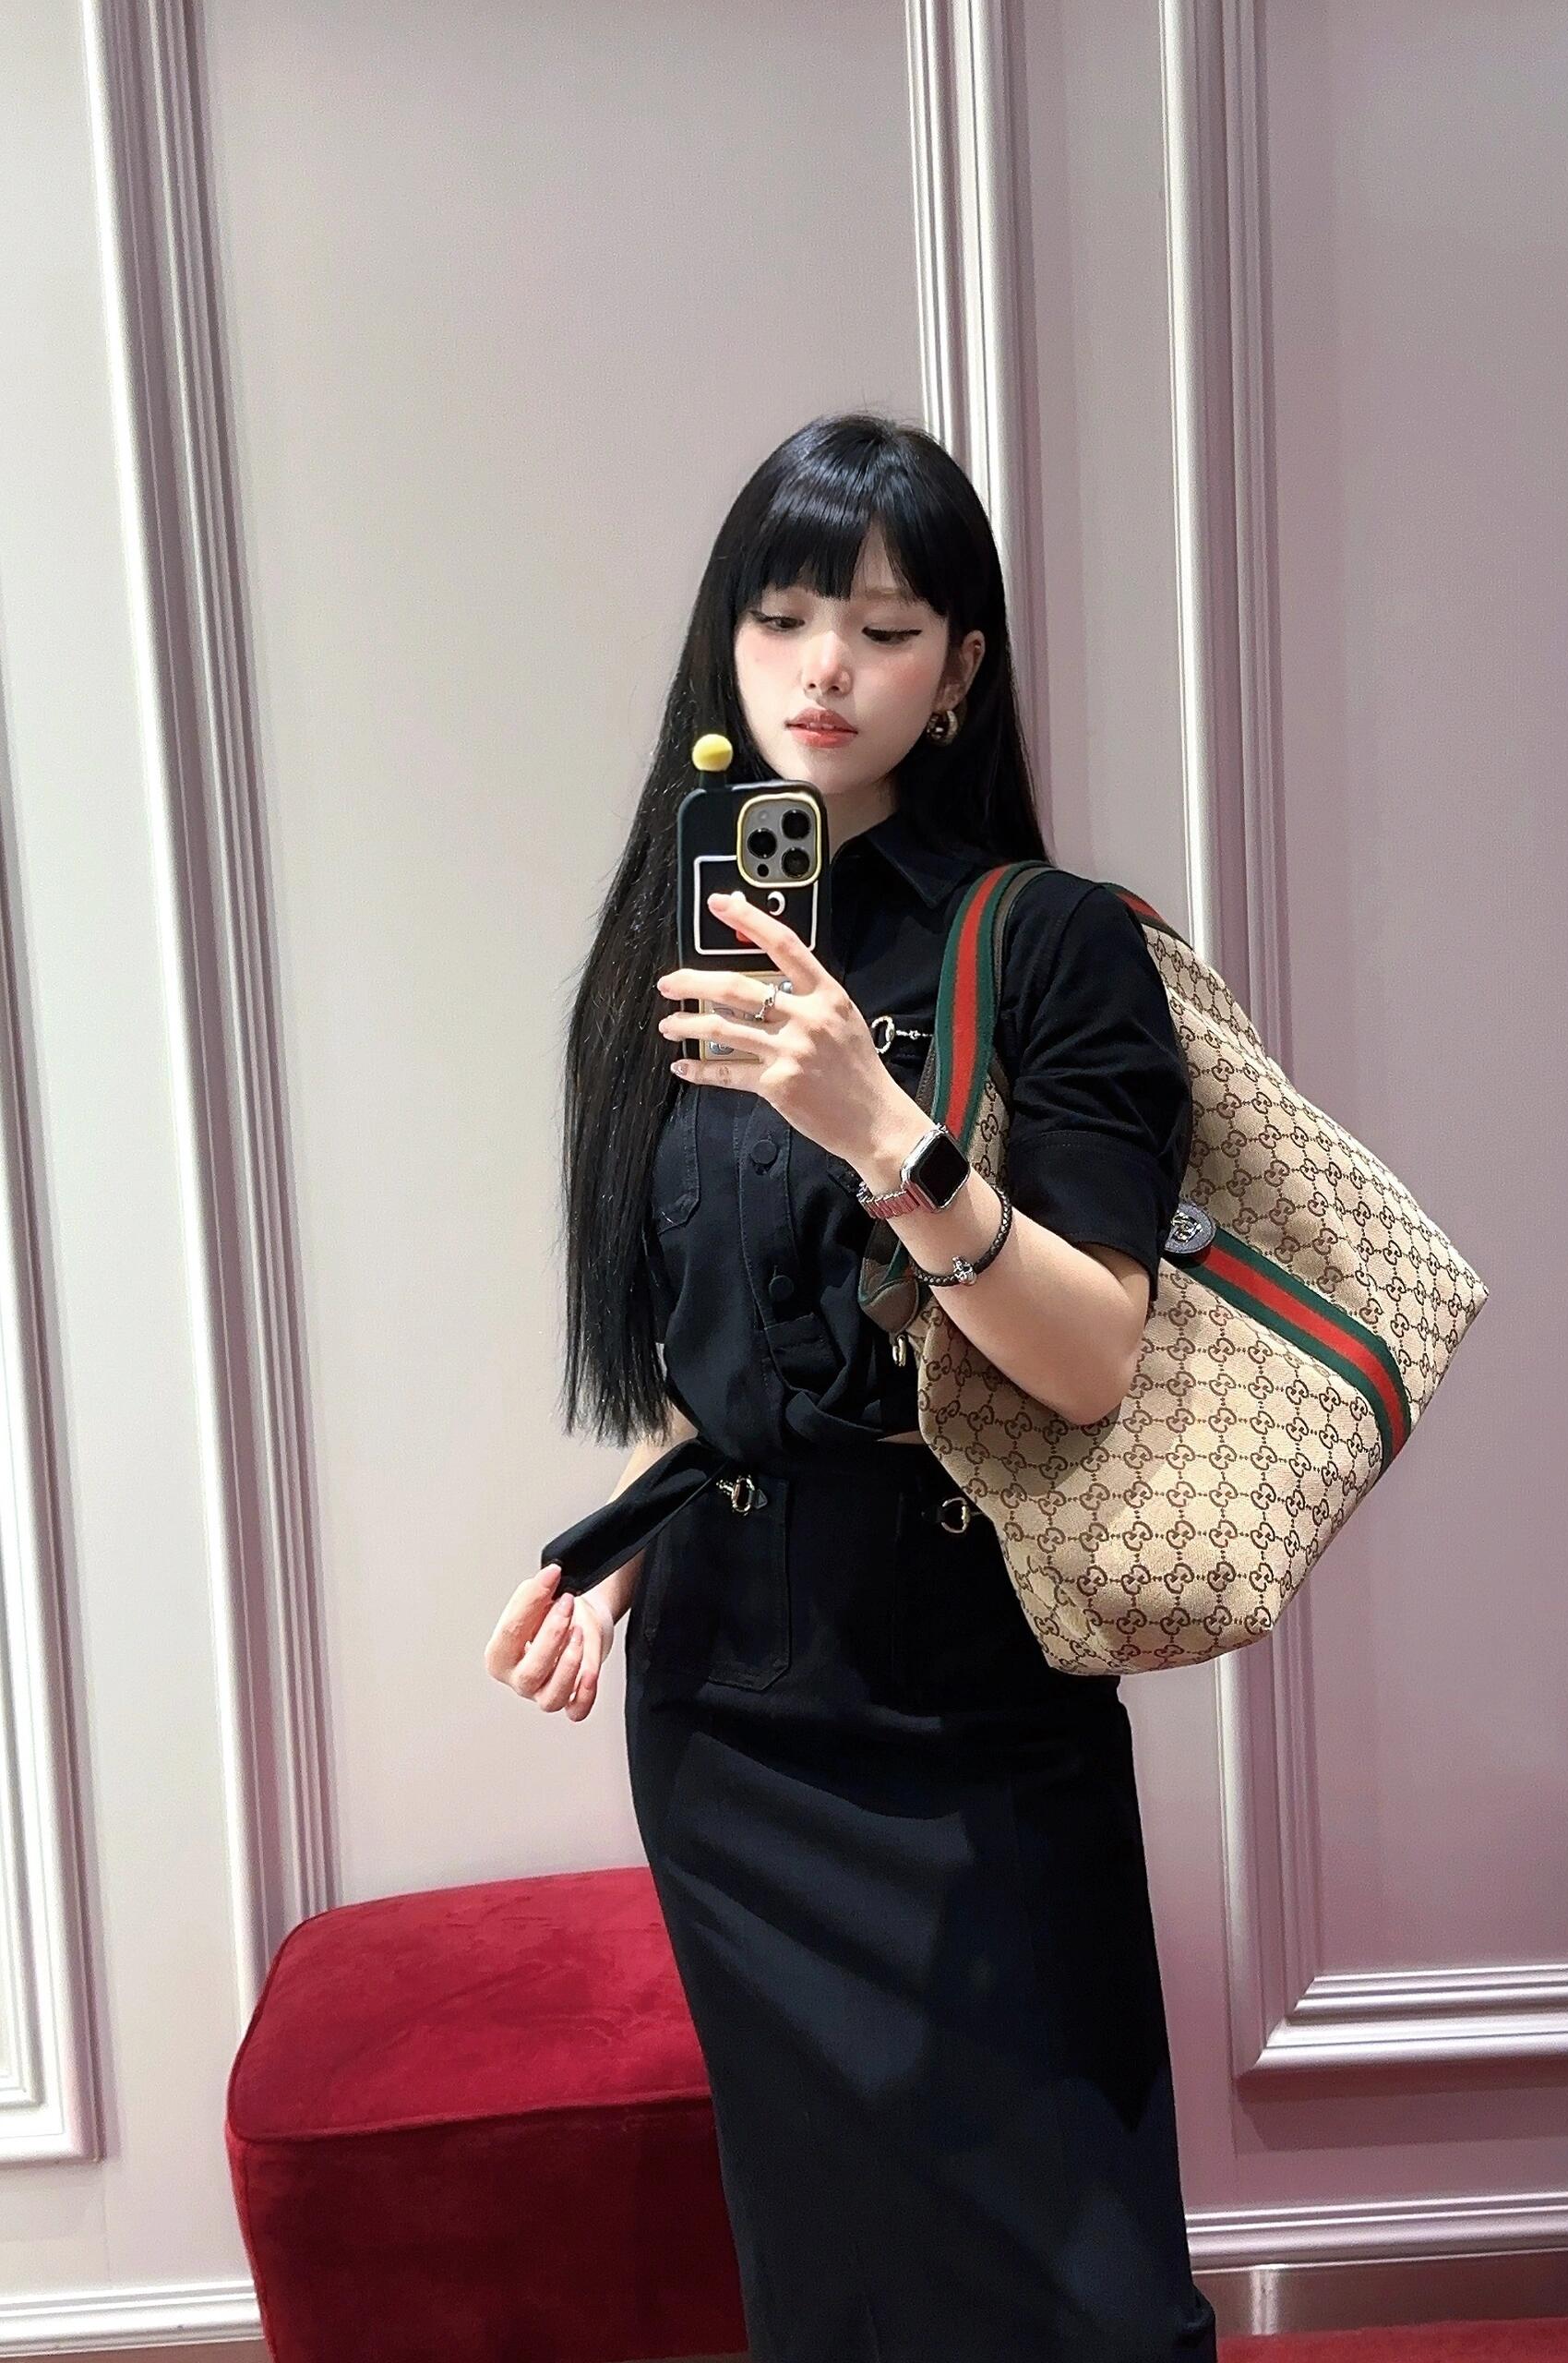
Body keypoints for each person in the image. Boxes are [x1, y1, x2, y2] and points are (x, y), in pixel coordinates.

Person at [485, 411, 1218, 2360]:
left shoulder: (1052, 944)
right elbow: (715, 1357)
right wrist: (619, 1551)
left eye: (885, 629)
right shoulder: (671, 953)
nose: (826, 668)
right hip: (730, 1708)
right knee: (840, 2289)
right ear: (726, 641)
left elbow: (1092, 1355)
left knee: (1086, 2291)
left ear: (959, 669)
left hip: (974, 1681)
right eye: (785, 615)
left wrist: (882, 1126)